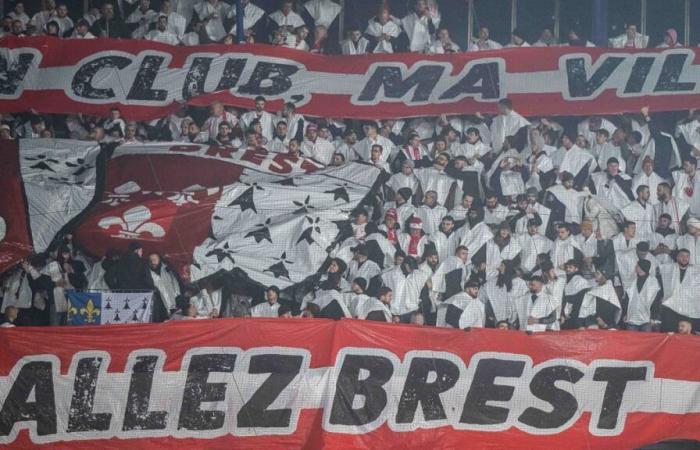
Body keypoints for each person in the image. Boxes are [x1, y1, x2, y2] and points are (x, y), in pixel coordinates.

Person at [624, 260, 660, 332]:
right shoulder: (632, 280)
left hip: (646, 319)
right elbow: (626, 299)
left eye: (637, 265)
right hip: (632, 317)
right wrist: (625, 313)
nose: (635, 267)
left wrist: (653, 317)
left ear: (641, 267)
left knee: (646, 342)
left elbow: (656, 301)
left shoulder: (653, 282)